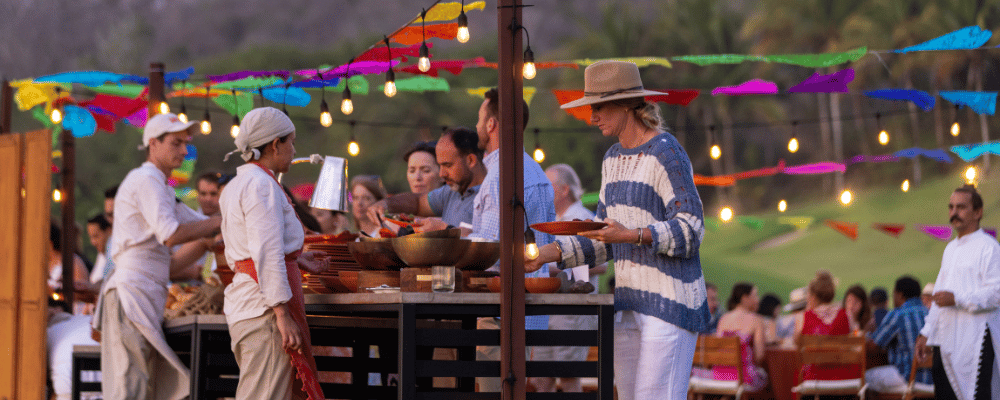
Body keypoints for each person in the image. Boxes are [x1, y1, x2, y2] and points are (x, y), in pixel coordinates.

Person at [526, 61, 708, 400]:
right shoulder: (612, 159)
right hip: (627, 305)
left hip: (670, 305)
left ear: (626, 104)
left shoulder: (666, 151)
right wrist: (543, 255)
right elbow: (603, 236)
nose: (592, 116)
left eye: (598, 107)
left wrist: (630, 235)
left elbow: (691, 229)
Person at [97, 112, 222, 399]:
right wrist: (218, 223)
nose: (183, 150)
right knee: (132, 387)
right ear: (153, 144)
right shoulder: (147, 179)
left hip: (143, 294)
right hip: (131, 295)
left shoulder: (159, 186)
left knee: (143, 387)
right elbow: (172, 234)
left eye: (185, 143)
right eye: (176, 143)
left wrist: (219, 229)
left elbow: (195, 236)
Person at [219, 107, 330, 400]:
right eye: (290, 142)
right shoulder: (260, 185)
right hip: (264, 310)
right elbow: (265, 250)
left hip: (252, 303)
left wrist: (297, 258)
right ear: (274, 144)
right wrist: (281, 313)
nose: (294, 149)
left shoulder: (239, 184)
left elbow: (259, 247)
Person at [469, 87, 557, 393]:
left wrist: (450, 237)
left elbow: (489, 250)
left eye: (480, 119)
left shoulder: (499, 174)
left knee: (496, 393)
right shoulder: (536, 172)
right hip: (530, 313)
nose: (477, 126)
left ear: (492, 124)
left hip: (501, 313)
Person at [916, 185, 1000, 400]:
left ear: (978, 212)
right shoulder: (950, 249)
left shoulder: (989, 247)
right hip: (946, 339)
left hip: (977, 338)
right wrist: (926, 332)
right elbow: (939, 296)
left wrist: (958, 299)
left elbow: (996, 294)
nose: (954, 212)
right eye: (951, 207)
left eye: (961, 207)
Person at [529, 163, 600, 393]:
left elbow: (602, 264)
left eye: (547, 187)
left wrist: (555, 266)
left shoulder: (582, 218)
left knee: (568, 377)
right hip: (548, 307)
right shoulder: (551, 218)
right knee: (542, 379)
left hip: (572, 311)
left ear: (563, 189)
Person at [368, 127, 486, 233]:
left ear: (471, 160)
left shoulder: (491, 194)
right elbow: (418, 202)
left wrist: (443, 229)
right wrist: (385, 204)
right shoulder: (450, 192)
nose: (442, 174)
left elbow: (487, 240)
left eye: (448, 165)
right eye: (412, 170)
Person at [866, 276, 931, 394]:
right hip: (932, 380)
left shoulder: (898, 314)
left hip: (908, 378)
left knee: (866, 378)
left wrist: (867, 333)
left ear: (900, 295)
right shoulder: (930, 313)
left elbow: (873, 346)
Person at [795, 271, 853, 381]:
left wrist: (808, 311)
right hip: (843, 377)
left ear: (813, 296)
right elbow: (853, 337)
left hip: (814, 378)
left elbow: (796, 342)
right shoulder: (846, 315)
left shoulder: (803, 317)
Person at [712, 283, 768, 391]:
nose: (758, 299)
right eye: (755, 295)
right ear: (744, 298)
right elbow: (760, 355)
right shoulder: (756, 320)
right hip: (743, 377)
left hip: (719, 375)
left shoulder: (724, 319)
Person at [47, 298, 100, 400]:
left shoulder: (49, 332)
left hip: (69, 395)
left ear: (57, 310)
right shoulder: (90, 320)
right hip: (113, 389)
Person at [48, 222, 96, 315]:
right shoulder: (44, 264)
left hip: (73, 315)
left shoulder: (72, 262)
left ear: (50, 243)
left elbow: (82, 295)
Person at [86, 214, 114, 287]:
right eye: (91, 237)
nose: (93, 242)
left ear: (108, 231)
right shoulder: (102, 254)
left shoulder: (113, 252)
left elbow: (108, 281)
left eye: (95, 236)